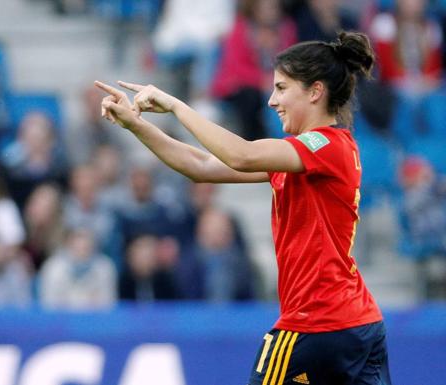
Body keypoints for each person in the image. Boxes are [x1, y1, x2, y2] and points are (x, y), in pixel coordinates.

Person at [95, 30, 391, 385]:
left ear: (315, 91)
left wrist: (176, 105)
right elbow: (200, 165)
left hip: (314, 324)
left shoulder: (323, 145)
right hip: (357, 324)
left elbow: (240, 155)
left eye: (282, 88)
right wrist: (136, 125)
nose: (271, 100)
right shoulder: (303, 154)